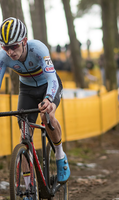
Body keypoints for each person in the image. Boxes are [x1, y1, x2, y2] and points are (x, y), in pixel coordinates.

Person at [0, 17, 70, 192]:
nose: (10, 52)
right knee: (24, 136)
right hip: (27, 90)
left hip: (49, 85)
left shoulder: (38, 49)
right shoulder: (3, 56)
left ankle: (60, 156)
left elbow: (51, 77)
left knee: (48, 117)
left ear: (24, 41)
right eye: (5, 47)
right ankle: (28, 187)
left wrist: (48, 99)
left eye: (14, 46)